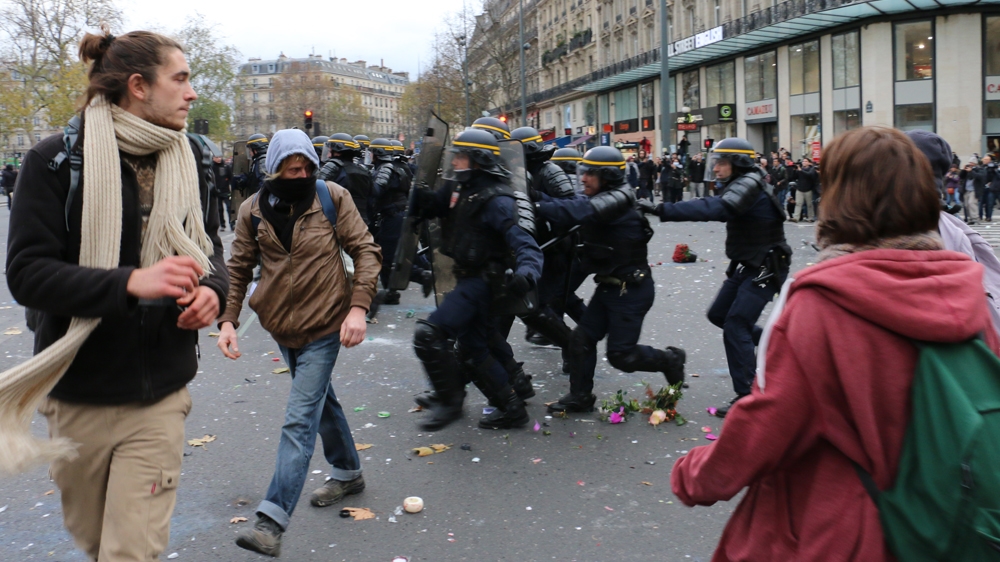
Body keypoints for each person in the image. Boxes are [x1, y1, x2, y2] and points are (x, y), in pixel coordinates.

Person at [670, 126, 1000, 561]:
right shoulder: (964, 287)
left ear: (842, 196)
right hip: (943, 516)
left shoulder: (827, 301)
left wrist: (693, 475)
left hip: (849, 528)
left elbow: (771, 425)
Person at [6, 29, 229, 561]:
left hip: (159, 400)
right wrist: (127, 282)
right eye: (180, 78)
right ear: (138, 86)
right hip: (77, 395)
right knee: (94, 542)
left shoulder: (190, 158)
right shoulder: (56, 162)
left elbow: (208, 247)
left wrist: (214, 292)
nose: (192, 92)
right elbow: (28, 274)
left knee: (129, 553)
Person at [217, 129, 380, 557]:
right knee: (321, 402)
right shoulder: (252, 210)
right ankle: (348, 472)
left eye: (308, 166)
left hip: (326, 323)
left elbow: (365, 250)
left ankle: (271, 520)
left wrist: (358, 307)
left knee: (299, 418)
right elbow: (238, 269)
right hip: (281, 326)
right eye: (293, 168)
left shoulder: (332, 198)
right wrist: (228, 320)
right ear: (274, 169)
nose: (302, 174)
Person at [638, 137, 791, 416]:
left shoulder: (748, 184)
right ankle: (779, 345)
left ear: (738, 163)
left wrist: (662, 209)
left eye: (721, 163)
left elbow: (715, 208)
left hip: (767, 266)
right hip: (750, 263)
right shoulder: (744, 183)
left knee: (736, 324)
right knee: (719, 314)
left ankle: (748, 396)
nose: (716, 169)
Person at [408, 128, 543, 431]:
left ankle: (450, 400)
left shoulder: (497, 199)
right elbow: (438, 205)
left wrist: (527, 273)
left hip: (482, 283)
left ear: (478, 160)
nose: (454, 161)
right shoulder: (460, 188)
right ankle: (512, 408)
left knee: (429, 334)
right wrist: (419, 198)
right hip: (466, 277)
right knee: (473, 349)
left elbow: (525, 243)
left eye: (460, 156)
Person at [537, 146, 686, 414]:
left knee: (622, 356)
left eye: (590, 174)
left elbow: (577, 210)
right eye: (583, 172)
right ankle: (580, 396)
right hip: (610, 287)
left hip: (632, 290)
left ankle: (670, 360)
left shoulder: (615, 201)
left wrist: (535, 204)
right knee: (581, 340)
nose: (582, 179)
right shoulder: (607, 198)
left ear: (607, 176)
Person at [370, 138, 408, 305]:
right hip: (393, 215)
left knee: (388, 257)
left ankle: (391, 293)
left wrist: (364, 182)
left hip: (392, 216)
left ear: (377, 154)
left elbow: (377, 190)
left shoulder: (386, 169)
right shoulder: (394, 167)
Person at [318, 133, 374, 227]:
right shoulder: (363, 170)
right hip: (361, 222)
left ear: (338, 152)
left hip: (340, 222)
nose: (327, 154)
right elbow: (372, 196)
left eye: (330, 150)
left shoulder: (333, 167)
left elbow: (316, 189)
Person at [792, 157, 818, 222]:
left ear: (809, 162)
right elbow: (794, 177)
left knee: (809, 204)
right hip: (800, 189)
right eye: (803, 161)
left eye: (806, 161)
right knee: (798, 204)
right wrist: (795, 170)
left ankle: (810, 217)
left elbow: (809, 175)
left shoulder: (811, 169)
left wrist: (801, 171)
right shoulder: (800, 169)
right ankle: (796, 217)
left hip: (808, 189)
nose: (804, 162)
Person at [212, 155, 232, 230]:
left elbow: (230, 178)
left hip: (226, 190)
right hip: (217, 191)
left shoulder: (226, 166)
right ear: (213, 158)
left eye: (219, 157)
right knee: (219, 209)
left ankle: (232, 223)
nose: (218, 159)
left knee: (229, 207)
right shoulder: (212, 167)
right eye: (216, 157)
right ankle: (222, 224)